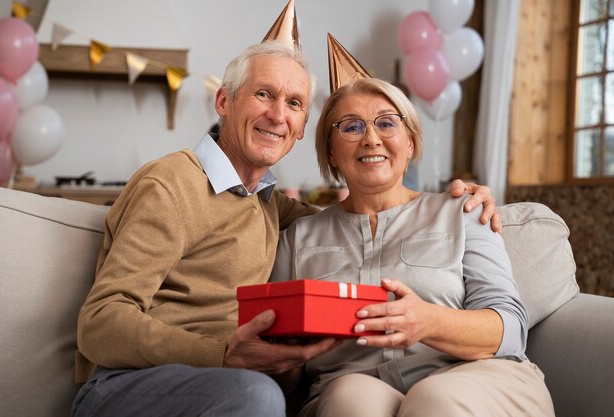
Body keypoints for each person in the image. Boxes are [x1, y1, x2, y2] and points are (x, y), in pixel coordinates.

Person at [70, 22, 500, 417]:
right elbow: (100, 323)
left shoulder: (272, 207)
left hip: (233, 382)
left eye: (294, 103)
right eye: (263, 94)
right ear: (223, 100)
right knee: (260, 395)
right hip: (129, 385)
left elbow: (355, 220)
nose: (278, 114)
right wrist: (221, 353)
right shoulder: (170, 184)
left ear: (300, 129)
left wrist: (459, 203)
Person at [269, 74, 555, 416]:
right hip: (350, 384)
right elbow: (284, 368)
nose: (371, 138)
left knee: (434, 399)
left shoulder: (463, 211)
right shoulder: (297, 239)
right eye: (351, 127)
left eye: (387, 123)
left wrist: (429, 321)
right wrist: (281, 359)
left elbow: (508, 330)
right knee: (350, 400)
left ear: (410, 143)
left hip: (474, 377)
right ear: (331, 151)